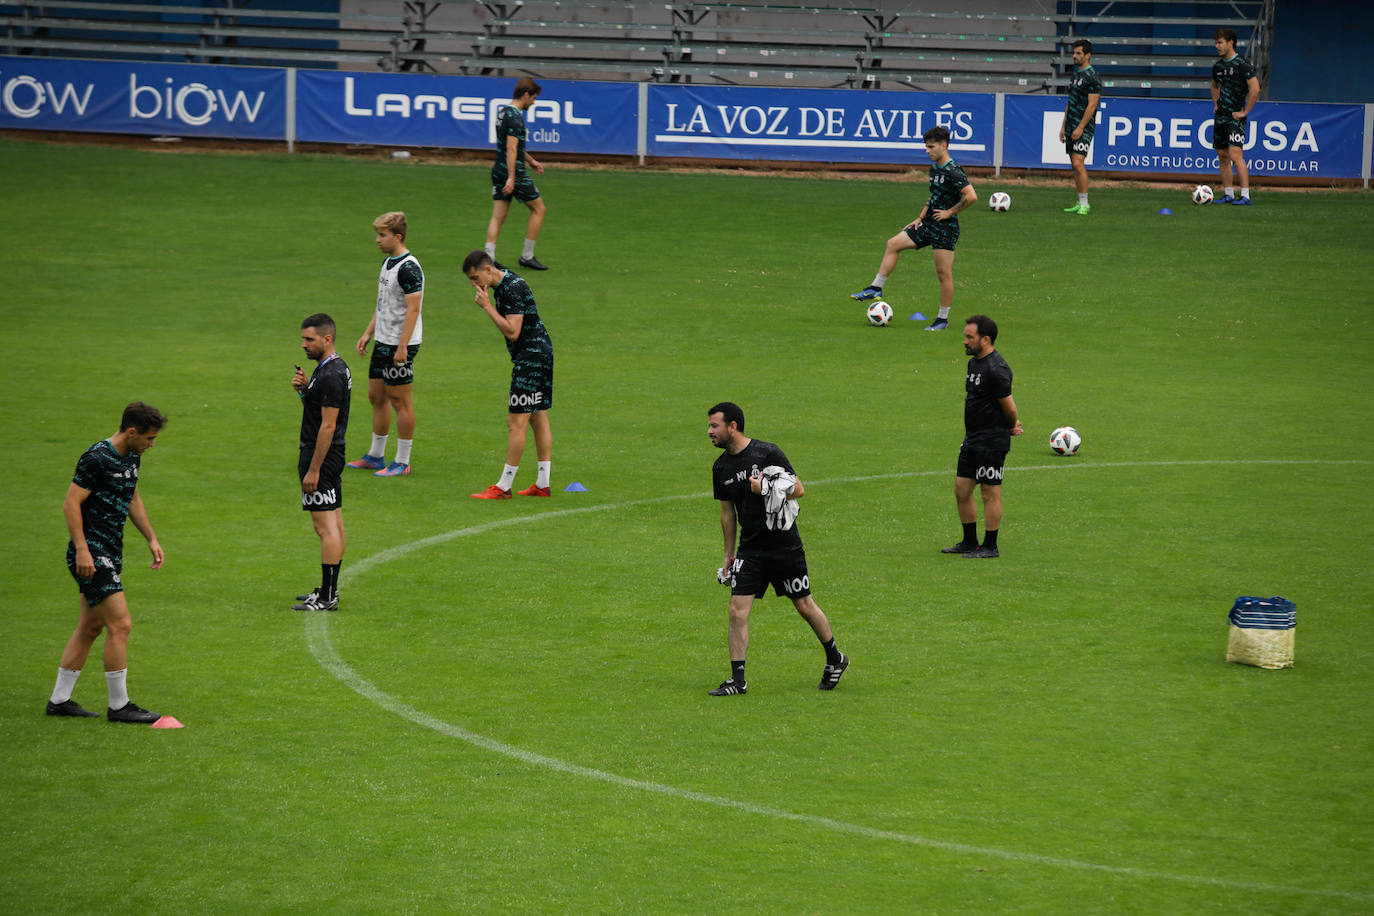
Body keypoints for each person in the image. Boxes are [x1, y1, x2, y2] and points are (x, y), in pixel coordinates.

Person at [706, 401, 848, 696]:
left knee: (804, 605)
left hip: (785, 547)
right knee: (736, 610)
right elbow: (727, 513)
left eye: (714, 426)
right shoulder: (720, 467)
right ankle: (737, 680)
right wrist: (728, 554)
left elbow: (798, 488)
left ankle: (835, 658)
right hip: (751, 551)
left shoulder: (767, 452)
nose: (709, 432)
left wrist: (766, 489)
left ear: (733, 426)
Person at [46, 401, 167, 723]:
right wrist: (83, 550)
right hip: (92, 553)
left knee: (91, 625)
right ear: (131, 432)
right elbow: (71, 504)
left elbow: (133, 498)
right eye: (149, 438)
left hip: (110, 550)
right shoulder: (97, 457)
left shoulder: (131, 457)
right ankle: (119, 706)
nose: (152, 445)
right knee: (121, 624)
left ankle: (59, 701)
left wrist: (151, 538)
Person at [850, 125, 977, 331]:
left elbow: (971, 196)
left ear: (944, 146)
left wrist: (949, 213)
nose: (927, 150)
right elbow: (934, 194)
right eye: (926, 147)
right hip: (927, 224)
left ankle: (942, 320)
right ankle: (875, 288)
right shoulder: (935, 167)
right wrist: (920, 216)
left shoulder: (953, 170)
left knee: (943, 273)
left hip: (945, 229)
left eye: (931, 147)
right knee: (893, 243)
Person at [463, 250, 554, 499]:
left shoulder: (512, 289)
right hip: (541, 353)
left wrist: (487, 308)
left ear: (488, 269)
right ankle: (542, 484)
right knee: (537, 416)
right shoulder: (504, 280)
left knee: (516, 423)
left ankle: (503, 487)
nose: (475, 283)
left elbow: (512, 331)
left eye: (476, 277)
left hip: (531, 358)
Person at [347, 211, 424, 477]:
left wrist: (403, 346)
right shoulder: (388, 262)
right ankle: (376, 456)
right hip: (383, 340)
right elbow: (384, 304)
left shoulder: (409, 268)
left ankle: (402, 461)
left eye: (382, 235)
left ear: (397, 236)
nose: (378, 240)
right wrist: (369, 332)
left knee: (400, 401)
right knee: (376, 396)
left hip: (399, 344)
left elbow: (413, 310)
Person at [941, 315, 1022, 559]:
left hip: (991, 441)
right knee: (961, 489)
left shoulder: (997, 369)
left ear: (985, 339)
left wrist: (1010, 426)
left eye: (970, 337)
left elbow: (1009, 407)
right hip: (973, 439)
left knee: (989, 492)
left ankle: (990, 546)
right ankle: (969, 541)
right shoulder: (974, 364)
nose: (964, 341)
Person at [291, 313, 351, 611]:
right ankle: (329, 590)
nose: (304, 344)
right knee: (335, 523)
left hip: (321, 455)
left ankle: (327, 597)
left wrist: (313, 469)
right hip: (332, 454)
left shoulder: (329, 376)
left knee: (324, 527)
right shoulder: (331, 369)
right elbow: (318, 410)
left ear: (327, 339)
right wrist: (305, 391)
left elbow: (327, 426)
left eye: (309, 339)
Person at [485, 77, 549, 271]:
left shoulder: (502, 112)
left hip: (498, 169)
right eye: (534, 98)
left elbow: (511, 145)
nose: (534, 102)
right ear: (526, 94)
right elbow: (512, 149)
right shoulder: (515, 116)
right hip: (512, 172)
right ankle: (527, 256)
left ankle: (489, 257)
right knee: (539, 209)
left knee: (498, 216)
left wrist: (531, 161)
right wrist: (512, 177)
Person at [1211, 28, 1260, 205]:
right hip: (1221, 116)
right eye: (1216, 43)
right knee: (1222, 155)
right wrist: (1216, 103)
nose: (1217, 46)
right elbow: (1215, 86)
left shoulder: (1242, 65)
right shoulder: (1218, 67)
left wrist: (1245, 111)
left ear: (1231, 42)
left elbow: (1255, 88)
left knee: (1235, 154)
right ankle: (1229, 194)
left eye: (1220, 42)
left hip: (1235, 117)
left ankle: (1245, 196)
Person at [1059, 39, 1102, 215]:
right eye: (1074, 53)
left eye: (1078, 53)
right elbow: (1071, 102)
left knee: (1078, 163)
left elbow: (1092, 105)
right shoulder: (1076, 75)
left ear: (1088, 55)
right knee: (1074, 165)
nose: (1075, 56)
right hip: (1071, 124)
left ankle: (1085, 203)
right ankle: (1080, 201)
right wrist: (1063, 126)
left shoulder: (1092, 76)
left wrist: (1081, 127)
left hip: (1083, 126)